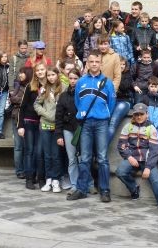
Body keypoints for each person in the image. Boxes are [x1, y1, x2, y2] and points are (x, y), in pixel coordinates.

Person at [67, 50, 116, 202]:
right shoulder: (81, 82)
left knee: (102, 158)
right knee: (85, 157)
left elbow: (111, 104)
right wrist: (84, 113)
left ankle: (105, 190)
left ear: (101, 63)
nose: (94, 64)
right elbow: (78, 101)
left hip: (101, 122)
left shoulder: (107, 83)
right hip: (86, 123)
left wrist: (102, 114)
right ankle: (81, 189)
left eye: (97, 62)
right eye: (91, 62)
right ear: (87, 63)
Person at [116, 103, 158, 210]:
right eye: (136, 114)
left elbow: (154, 150)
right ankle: (134, 189)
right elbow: (121, 145)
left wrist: (148, 167)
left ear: (147, 114)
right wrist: (128, 157)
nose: (139, 117)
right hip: (132, 158)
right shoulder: (128, 127)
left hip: (147, 160)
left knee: (156, 178)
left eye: (141, 114)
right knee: (120, 171)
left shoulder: (151, 128)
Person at [35, 66, 63, 193]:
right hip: (45, 125)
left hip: (58, 126)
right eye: (49, 75)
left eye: (53, 75)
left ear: (57, 75)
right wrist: (45, 113)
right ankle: (48, 179)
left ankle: (56, 180)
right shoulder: (44, 89)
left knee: (56, 154)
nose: (51, 77)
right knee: (47, 154)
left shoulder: (63, 88)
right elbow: (36, 104)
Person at [17, 63, 44, 189]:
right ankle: (29, 178)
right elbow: (22, 107)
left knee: (39, 152)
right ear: (35, 73)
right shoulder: (30, 86)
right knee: (29, 150)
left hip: (42, 123)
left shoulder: (48, 86)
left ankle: (39, 177)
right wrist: (20, 125)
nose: (40, 72)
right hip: (28, 121)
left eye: (42, 70)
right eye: (38, 70)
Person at [56, 68, 81, 193]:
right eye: (70, 78)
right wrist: (59, 134)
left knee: (82, 157)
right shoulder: (63, 95)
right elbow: (58, 116)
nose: (73, 81)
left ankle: (86, 182)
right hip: (67, 129)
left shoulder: (83, 94)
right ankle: (74, 183)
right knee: (71, 158)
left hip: (81, 129)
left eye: (75, 78)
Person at [108, 56, 138, 147]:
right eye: (119, 64)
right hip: (111, 100)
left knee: (113, 122)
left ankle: (101, 150)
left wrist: (118, 76)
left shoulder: (127, 74)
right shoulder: (110, 74)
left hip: (124, 101)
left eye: (123, 64)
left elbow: (124, 86)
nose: (121, 66)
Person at [11, 67, 32, 179]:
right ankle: (19, 170)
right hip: (16, 117)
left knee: (27, 146)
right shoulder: (18, 85)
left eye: (22, 73)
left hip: (28, 118)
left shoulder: (32, 86)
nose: (20, 75)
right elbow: (13, 98)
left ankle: (27, 168)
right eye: (19, 73)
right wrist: (25, 100)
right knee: (18, 146)